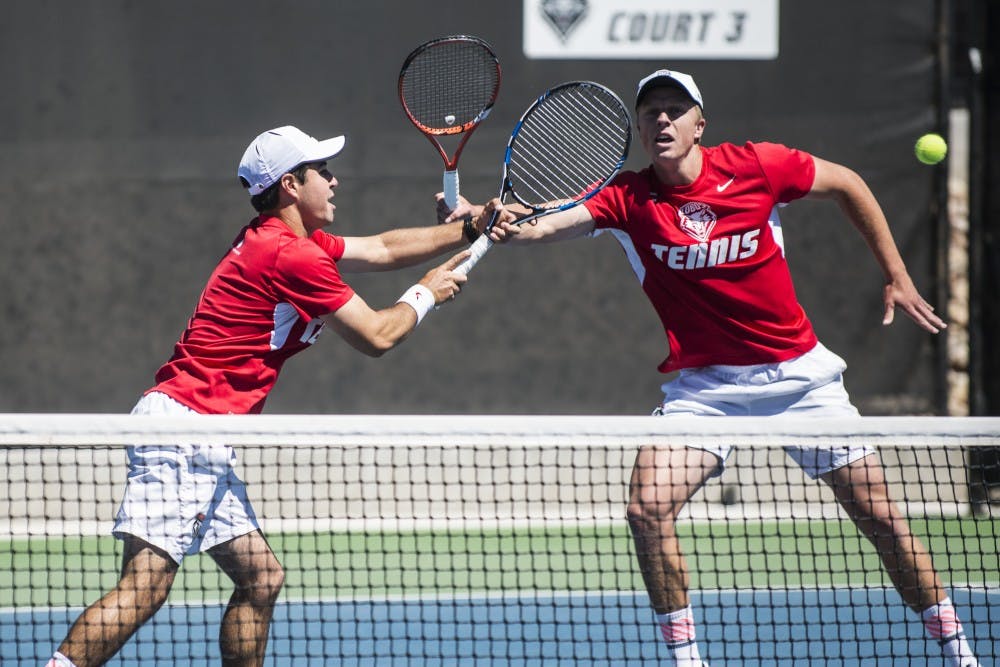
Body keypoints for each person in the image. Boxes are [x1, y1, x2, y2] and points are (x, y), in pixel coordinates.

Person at [440, 71, 981, 666]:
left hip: (800, 379)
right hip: (706, 392)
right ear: (641, 130)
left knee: (880, 516)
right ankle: (687, 660)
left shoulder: (759, 166)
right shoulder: (626, 197)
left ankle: (958, 651)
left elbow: (848, 183)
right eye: (651, 113)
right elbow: (538, 223)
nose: (662, 121)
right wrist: (480, 218)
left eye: (676, 111)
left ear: (701, 124)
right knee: (646, 509)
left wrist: (897, 274)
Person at [47, 125, 494, 667]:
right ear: (290, 184)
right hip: (186, 428)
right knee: (146, 587)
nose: (334, 180)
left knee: (261, 578)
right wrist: (426, 294)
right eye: (322, 172)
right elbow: (378, 335)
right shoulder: (290, 255)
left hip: (199, 430)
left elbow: (381, 248)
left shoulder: (289, 243)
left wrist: (471, 227)